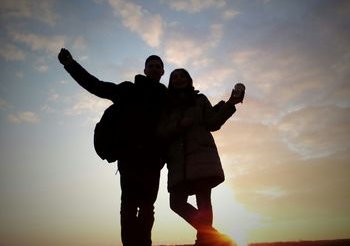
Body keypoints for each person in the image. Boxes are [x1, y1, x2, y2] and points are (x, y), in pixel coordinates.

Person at [58, 48, 167, 246]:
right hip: (129, 159)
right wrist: (70, 65)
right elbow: (96, 86)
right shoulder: (128, 90)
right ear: (144, 70)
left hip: (153, 161)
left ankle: (144, 243)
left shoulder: (167, 98)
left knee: (147, 208)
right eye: (150, 65)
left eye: (157, 66)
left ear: (162, 72)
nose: (153, 68)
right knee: (128, 206)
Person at [157, 68, 244, 246]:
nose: (178, 79)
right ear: (170, 82)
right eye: (174, 77)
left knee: (203, 200)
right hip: (178, 161)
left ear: (189, 80)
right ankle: (214, 237)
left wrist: (231, 103)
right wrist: (180, 125)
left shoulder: (199, 99)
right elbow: (162, 133)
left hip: (201, 156)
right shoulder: (166, 107)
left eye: (182, 76)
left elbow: (213, 123)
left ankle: (204, 241)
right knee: (176, 203)